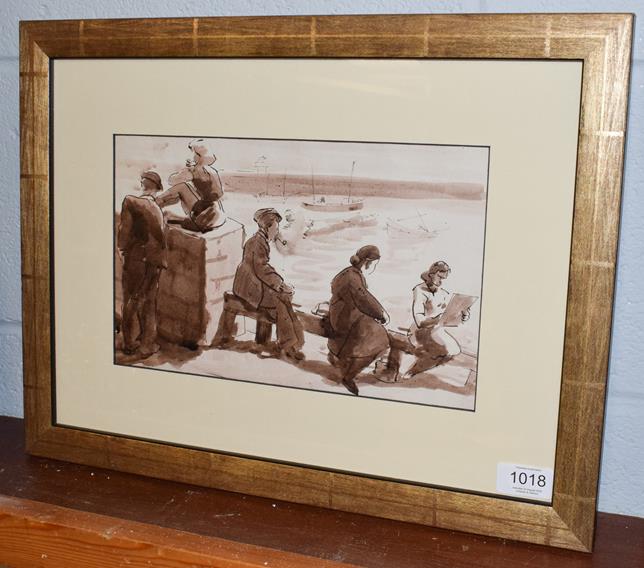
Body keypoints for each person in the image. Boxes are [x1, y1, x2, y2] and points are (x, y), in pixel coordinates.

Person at [232, 208, 305, 360]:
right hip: (248, 288)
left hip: (250, 284)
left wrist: (280, 285)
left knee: (282, 298)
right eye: (276, 228)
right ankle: (288, 344)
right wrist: (280, 284)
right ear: (268, 227)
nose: (277, 232)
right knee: (281, 300)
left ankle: (287, 342)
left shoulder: (259, 240)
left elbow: (262, 269)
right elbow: (262, 269)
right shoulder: (257, 242)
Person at [327, 245, 390, 396]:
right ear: (368, 261)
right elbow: (362, 297)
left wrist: (378, 312)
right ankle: (348, 376)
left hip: (344, 312)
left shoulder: (350, 272)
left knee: (374, 329)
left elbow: (362, 296)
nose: (374, 267)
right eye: (374, 264)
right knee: (381, 342)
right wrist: (381, 314)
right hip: (345, 317)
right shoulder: (352, 277)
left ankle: (338, 356)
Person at [117, 170, 167, 358]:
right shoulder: (156, 209)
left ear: (143, 185)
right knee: (148, 302)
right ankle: (147, 344)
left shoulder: (130, 201)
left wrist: (123, 252)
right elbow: (160, 239)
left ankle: (129, 342)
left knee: (131, 298)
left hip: (134, 258)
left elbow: (123, 233)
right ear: (157, 189)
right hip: (153, 262)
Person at [402, 261, 469, 379]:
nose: (440, 282)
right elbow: (420, 321)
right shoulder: (419, 290)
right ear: (431, 274)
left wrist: (462, 316)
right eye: (439, 276)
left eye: (442, 279)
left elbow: (449, 318)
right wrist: (439, 319)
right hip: (420, 331)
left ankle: (422, 365)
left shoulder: (443, 293)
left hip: (436, 330)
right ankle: (413, 370)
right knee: (442, 350)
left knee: (454, 350)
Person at [155, 138, 226, 232]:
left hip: (205, 217)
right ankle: (158, 205)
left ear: (197, 154)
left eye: (192, 152)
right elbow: (219, 193)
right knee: (185, 187)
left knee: (182, 186)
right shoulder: (212, 171)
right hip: (217, 214)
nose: (190, 155)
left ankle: (154, 203)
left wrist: (186, 169)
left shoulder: (194, 170)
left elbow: (171, 181)